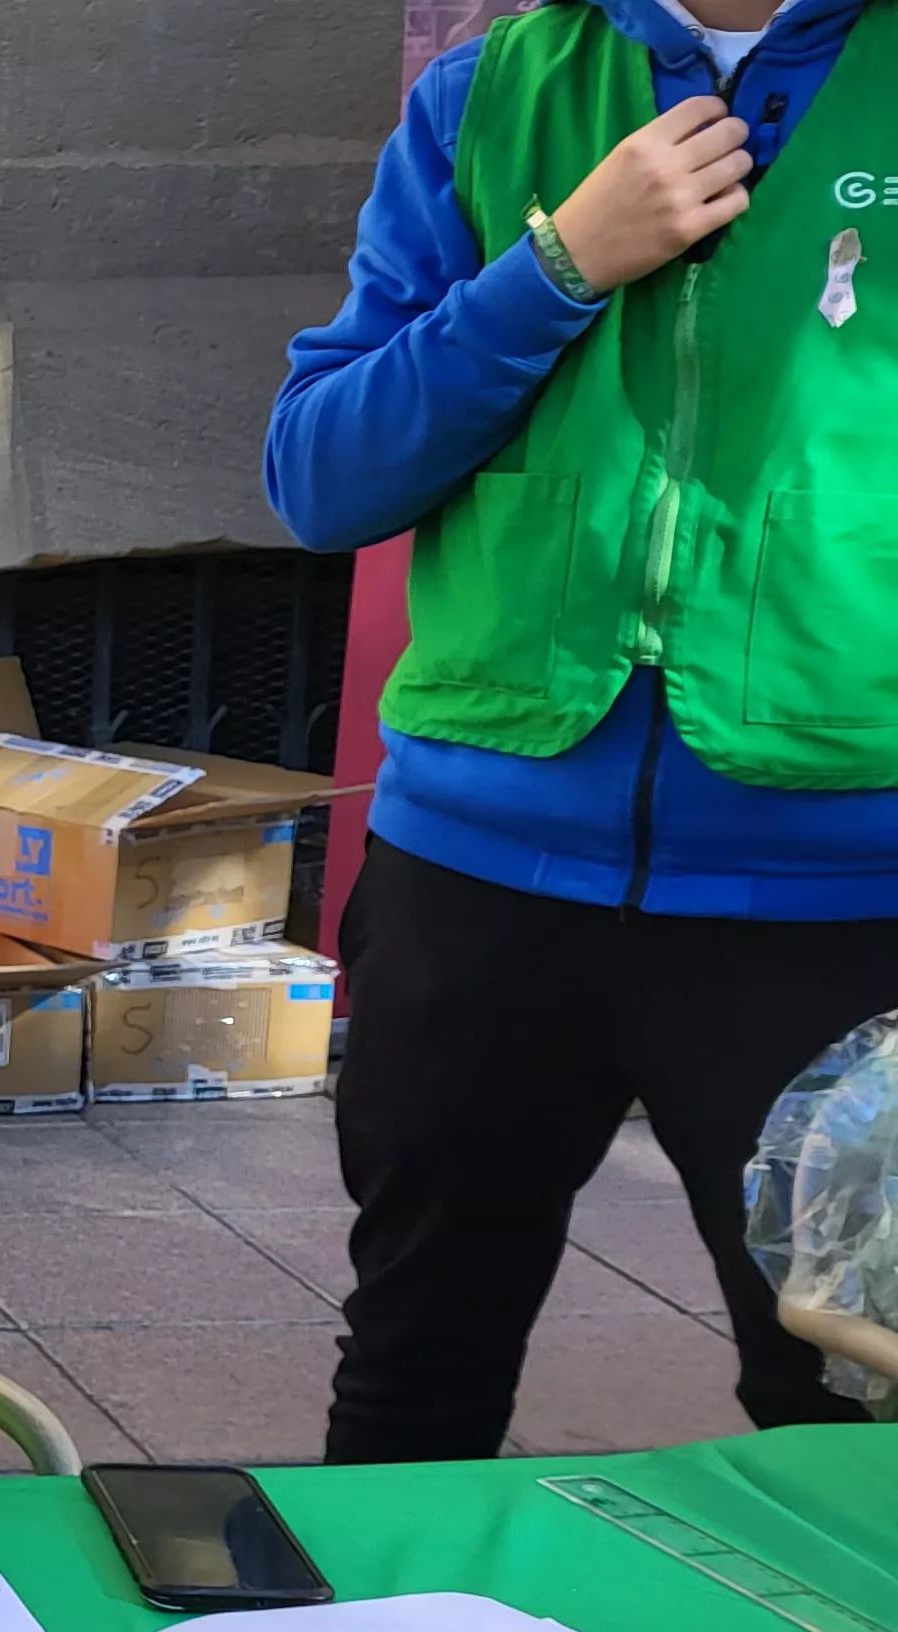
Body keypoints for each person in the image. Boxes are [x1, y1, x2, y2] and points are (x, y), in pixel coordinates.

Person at [266, 0, 898, 1462]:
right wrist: (559, 265)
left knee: (845, 1413)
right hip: (476, 880)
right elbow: (321, 480)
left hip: (841, 905)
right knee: (412, 1382)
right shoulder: (488, 92)